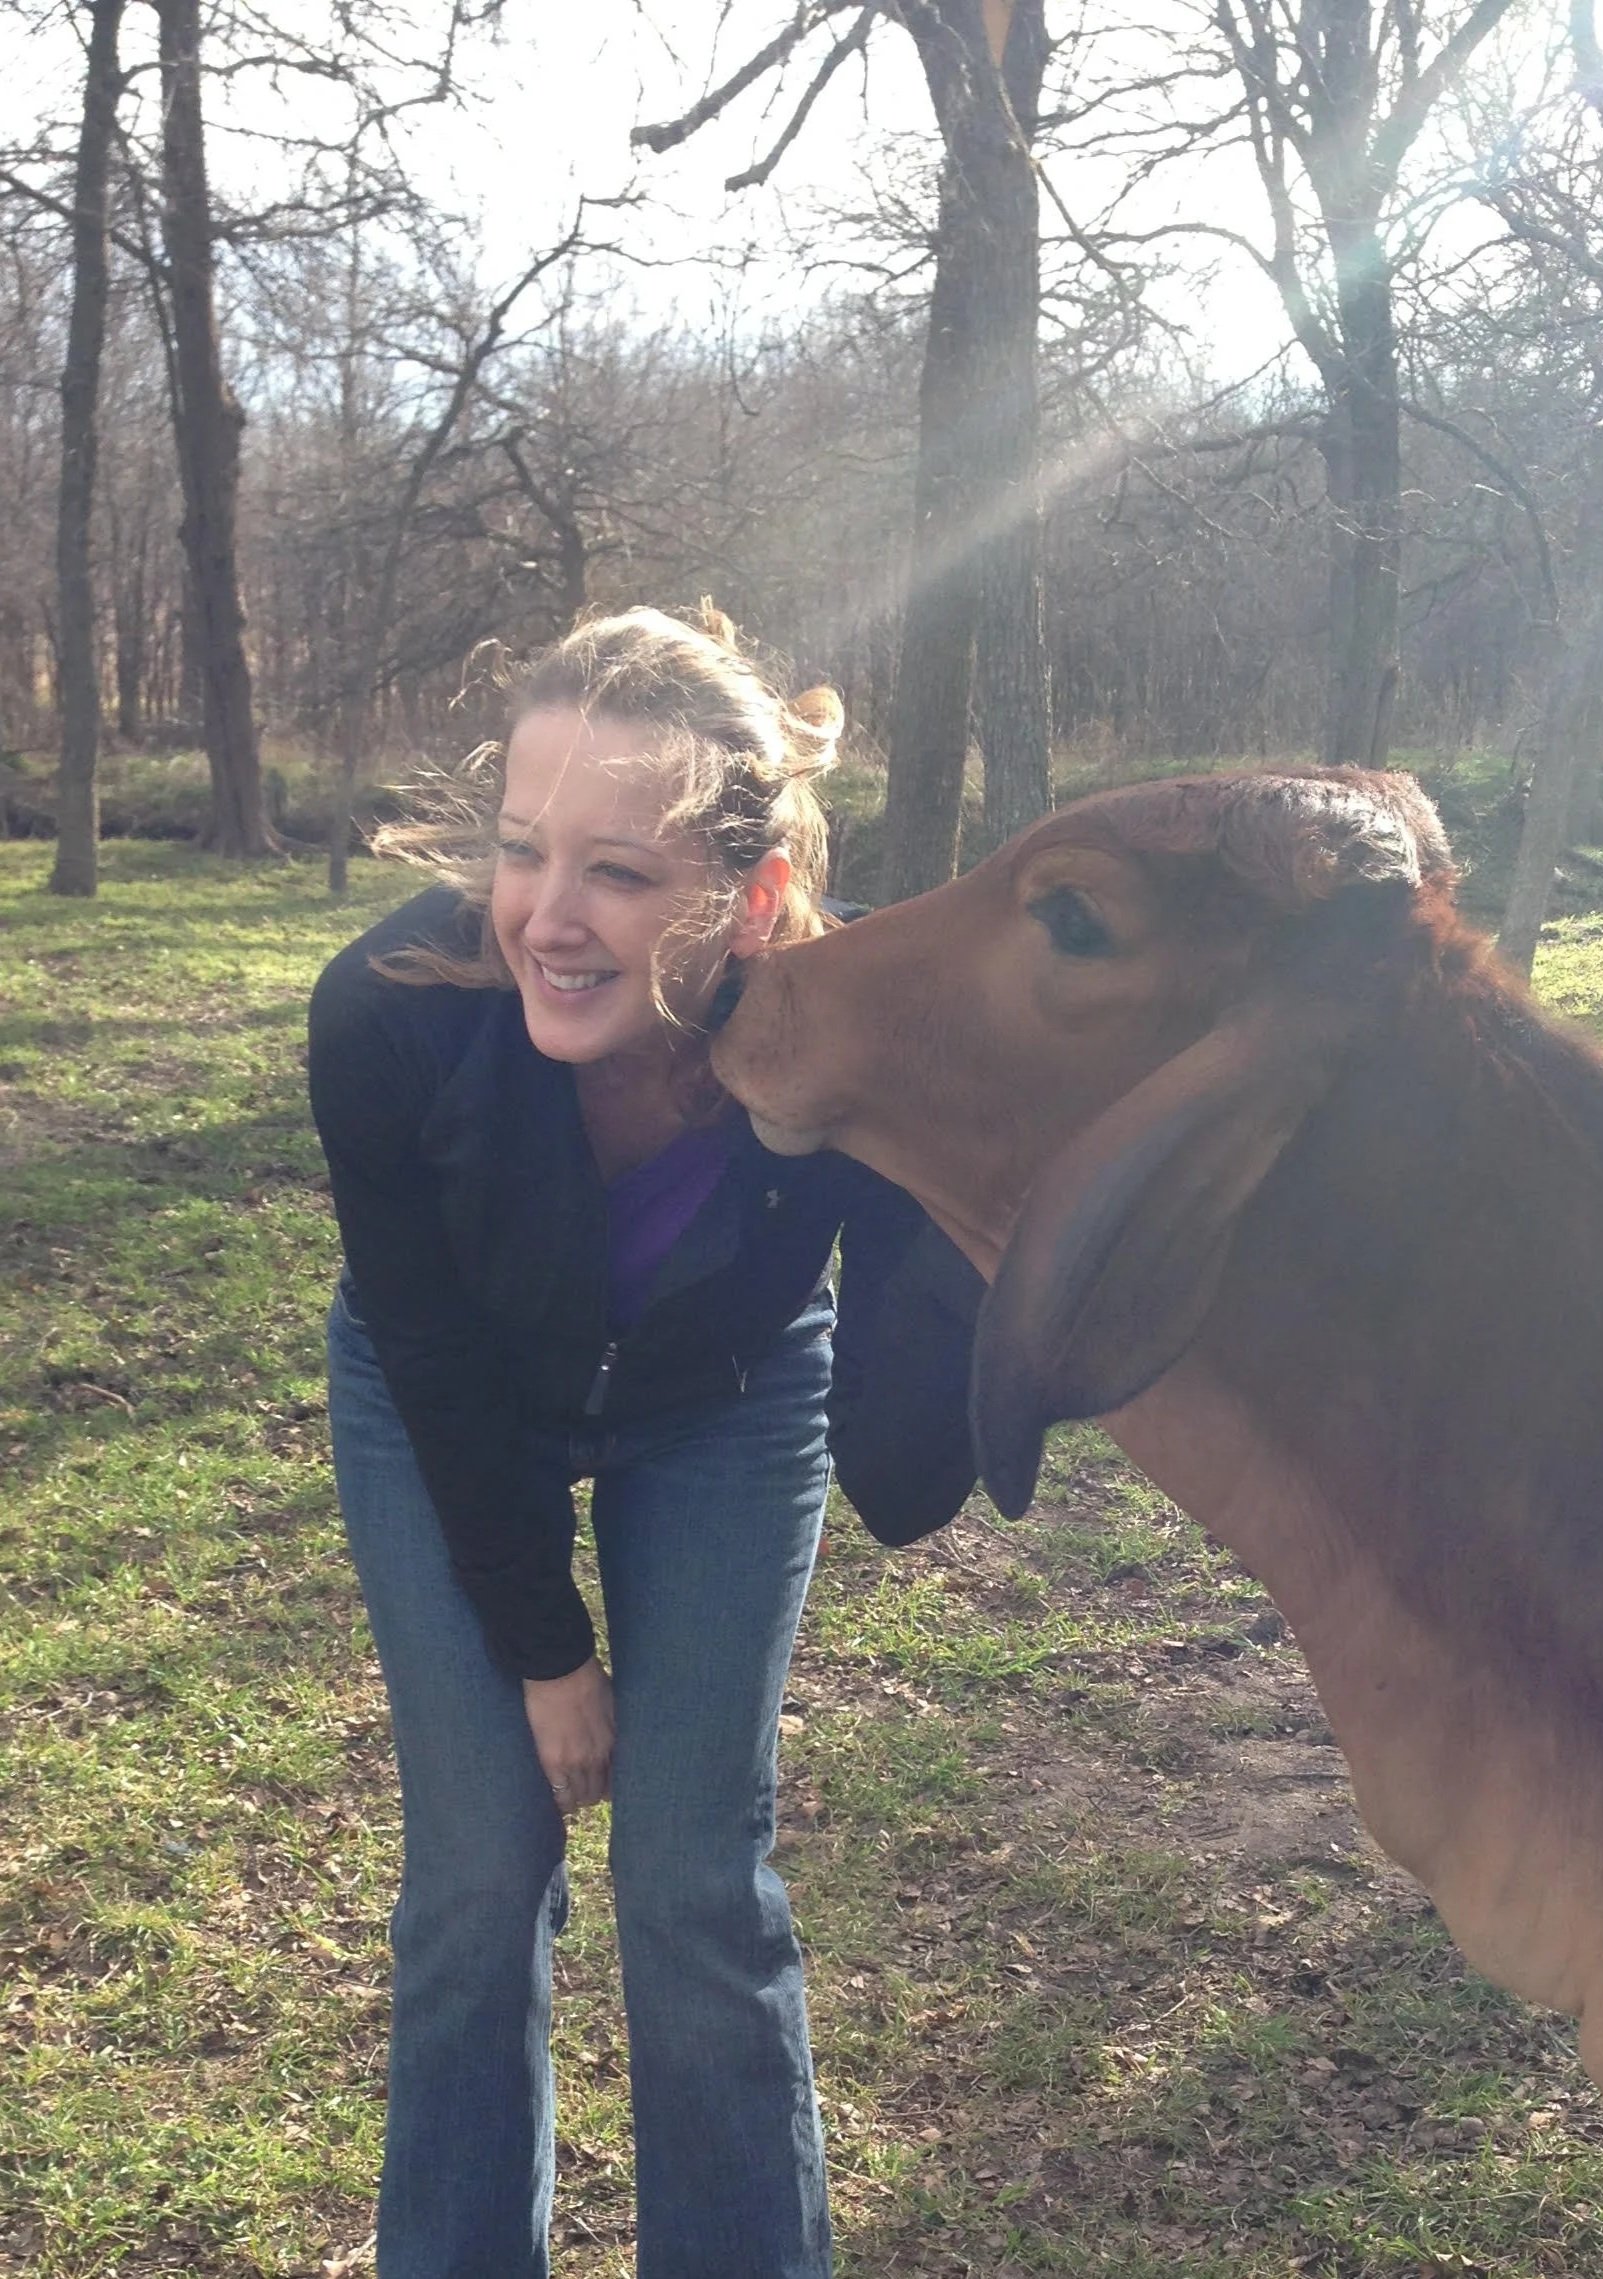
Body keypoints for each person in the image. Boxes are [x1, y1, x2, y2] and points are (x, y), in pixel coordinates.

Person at [308, 605, 981, 2279]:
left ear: (749, 896)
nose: (547, 916)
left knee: (692, 1885)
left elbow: (907, 1477)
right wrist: (549, 1656)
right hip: (447, 1390)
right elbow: (441, 1375)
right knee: (480, 1873)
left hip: (725, 1398)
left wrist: (966, 1198)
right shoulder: (383, 1016)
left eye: (618, 871)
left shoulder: (848, 1023)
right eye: (526, 852)